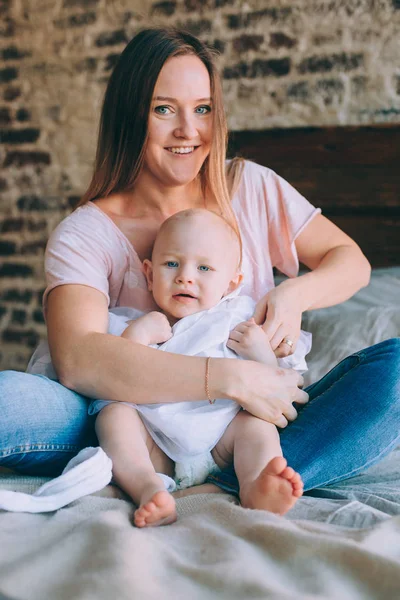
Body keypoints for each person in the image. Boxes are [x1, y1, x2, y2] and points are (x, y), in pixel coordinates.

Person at [0, 28, 399, 505]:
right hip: (121, 420)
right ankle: (155, 469)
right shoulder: (86, 232)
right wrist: (229, 378)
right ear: (131, 116)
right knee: (10, 399)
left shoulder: (249, 188)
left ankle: (237, 478)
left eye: (203, 109)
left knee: (393, 371)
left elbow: (350, 261)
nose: (189, 131)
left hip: (236, 423)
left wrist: (294, 295)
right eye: (164, 109)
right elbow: (79, 359)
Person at [29, 208, 309, 526]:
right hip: (155, 444)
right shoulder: (135, 321)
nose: (185, 276)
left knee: (256, 425)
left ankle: (257, 482)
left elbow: (281, 387)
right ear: (149, 274)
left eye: (204, 267)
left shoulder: (240, 319)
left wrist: (262, 355)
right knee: (115, 416)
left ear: (233, 282)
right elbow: (115, 372)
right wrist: (138, 335)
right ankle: (147, 487)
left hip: (222, 443)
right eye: (171, 264)